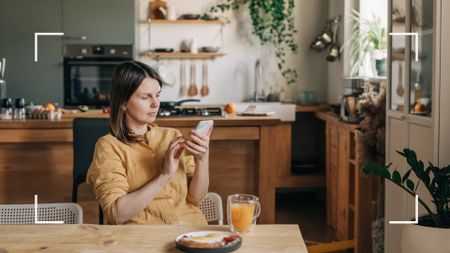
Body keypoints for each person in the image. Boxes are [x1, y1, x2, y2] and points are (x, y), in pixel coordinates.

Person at [86, 61, 210, 225]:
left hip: (193, 231)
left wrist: (202, 159)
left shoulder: (172, 136)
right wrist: (164, 176)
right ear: (123, 102)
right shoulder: (108, 146)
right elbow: (116, 214)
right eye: (145, 97)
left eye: (157, 95)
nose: (156, 103)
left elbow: (196, 198)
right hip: (146, 240)